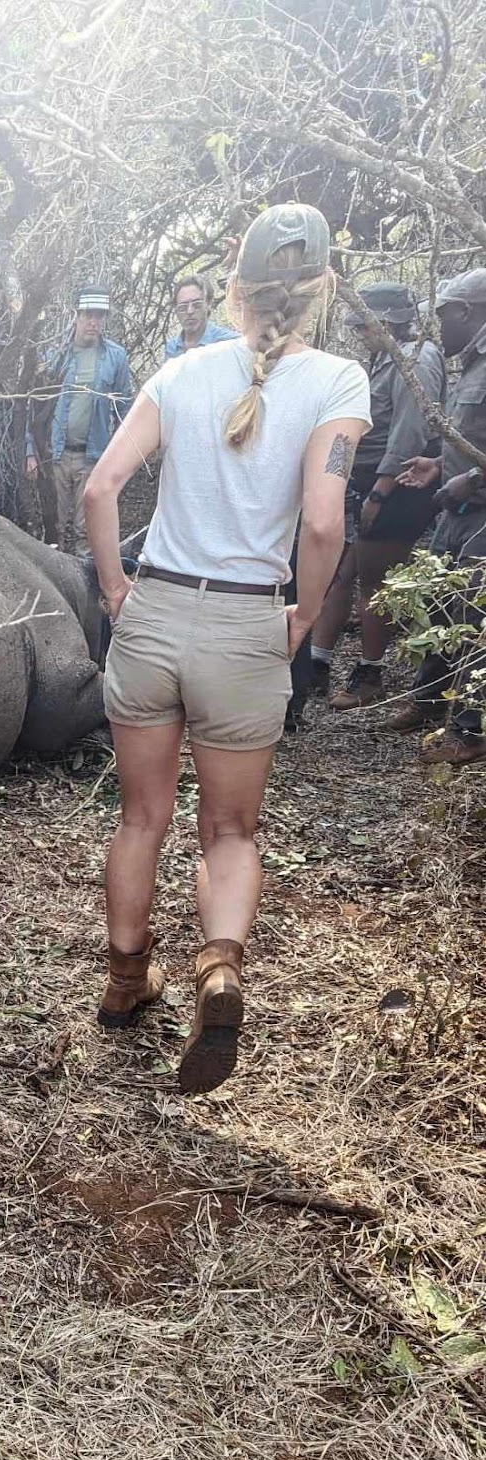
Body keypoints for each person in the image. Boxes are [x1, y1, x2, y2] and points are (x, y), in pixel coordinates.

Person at [82, 204, 371, 1093]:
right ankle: (218, 970)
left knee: (141, 818)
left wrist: (113, 589)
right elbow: (323, 522)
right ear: (320, 286)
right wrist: (303, 616)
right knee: (231, 828)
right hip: (249, 623)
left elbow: (101, 487)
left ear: (235, 288)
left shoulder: (179, 370)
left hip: (157, 610)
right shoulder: (337, 380)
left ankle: (126, 984)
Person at [307, 283, 446, 707]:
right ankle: (316, 664)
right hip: (366, 483)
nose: (360, 335)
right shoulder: (382, 359)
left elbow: (410, 432)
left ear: (386, 323)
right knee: (340, 574)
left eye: (365, 326)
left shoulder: (415, 362)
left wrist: (381, 493)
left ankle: (371, 672)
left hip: (399, 487)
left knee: (374, 582)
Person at [390, 268, 486, 766]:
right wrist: (441, 466)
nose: (438, 328)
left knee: (473, 618)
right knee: (441, 606)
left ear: (465, 311)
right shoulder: (468, 364)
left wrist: (470, 481)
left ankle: (469, 729)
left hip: (481, 516)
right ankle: (428, 703)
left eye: (443, 315)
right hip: (456, 510)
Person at [25, 287, 132, 554]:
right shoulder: (55, 356)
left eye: (99, 316)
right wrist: (30, 451)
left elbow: (124, 408)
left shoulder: (115, 357)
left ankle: (85, 586)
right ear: (76, 315)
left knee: (86, 529)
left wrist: (121, 458)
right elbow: (34, 405)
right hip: (57, 453)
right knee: (56, 525)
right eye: (88, 315)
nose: (93, 322)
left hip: (93, 455)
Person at [164, 274, 239, 359]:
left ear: (209, 304)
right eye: (183, 307)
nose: (190, 311)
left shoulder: (229, 342)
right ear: (175, 309)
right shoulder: (172, 349)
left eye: (197, 305)